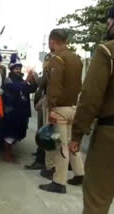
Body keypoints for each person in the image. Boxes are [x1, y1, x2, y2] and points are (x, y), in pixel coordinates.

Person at [69, 6, 114, 214]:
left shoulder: (107, 51)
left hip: (110, 136)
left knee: (97, 198)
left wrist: (77, 133)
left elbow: (90, 98)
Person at [39, 29, 85, 194]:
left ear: (52, 41)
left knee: (60, 146)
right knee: (72, 143)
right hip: (73, 107)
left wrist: (51, 108)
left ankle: (59, 182)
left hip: (60, 109)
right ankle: (80, 174)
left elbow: (54, 87)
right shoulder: (76, 59)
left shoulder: (57, 60)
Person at [3, 54, 37, 162]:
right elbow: (15, 88)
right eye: (16, 69)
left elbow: (31, 89)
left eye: (19, 68)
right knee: (10, 134)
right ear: (11, 69)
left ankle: (11, 153)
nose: (18, 71)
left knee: (19, 134)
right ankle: (7, 155)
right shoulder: (8, 80)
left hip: (22, 112)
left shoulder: (21, 80)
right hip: (12, 112)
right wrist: (26, 80)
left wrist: (33, 80)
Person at [25, 53, 53, 170]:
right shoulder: (49, 71)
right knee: (42, 131)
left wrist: (36, 78)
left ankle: (42, 161)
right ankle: (40, 155)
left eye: (45, 61)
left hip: (46, 104)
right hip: (44, 104)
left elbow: (42, 85)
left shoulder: (50, 71)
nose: (44, 63)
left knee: (44, 133)